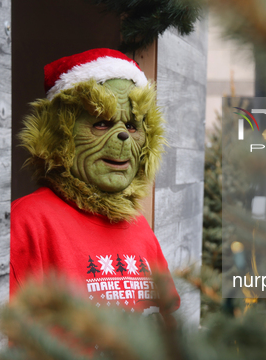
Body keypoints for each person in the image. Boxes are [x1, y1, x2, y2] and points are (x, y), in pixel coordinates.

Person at [10, 48, 180, 318]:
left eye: (133, 126)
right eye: (102, 123)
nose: (123, 135)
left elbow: (168, 326)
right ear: (58, 135)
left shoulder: (140, 228)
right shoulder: (26, 222)